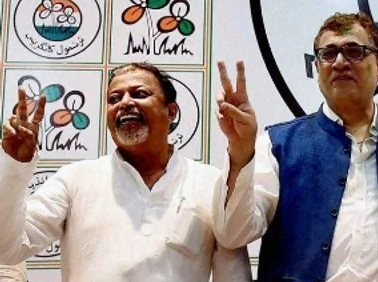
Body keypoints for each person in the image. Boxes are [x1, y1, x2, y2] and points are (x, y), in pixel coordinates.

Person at [213, 12, 378, 282]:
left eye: (354, 51)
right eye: (329, 53)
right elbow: (233, 234)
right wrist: (240, 153)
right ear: (317, 67)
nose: (340, 62)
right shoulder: (279, 145)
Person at [0, 62, 252, 282]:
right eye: (114, 98)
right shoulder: (76, 179)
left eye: (140, 94)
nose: (125, 103)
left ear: (171, 111)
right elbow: (8, 247)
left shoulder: (210, 183)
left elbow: (232, 275)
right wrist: (15, 166)